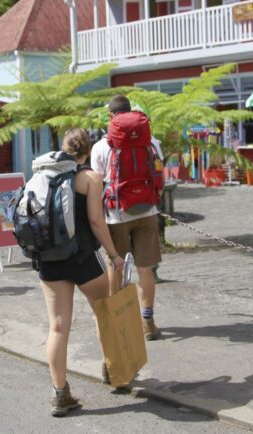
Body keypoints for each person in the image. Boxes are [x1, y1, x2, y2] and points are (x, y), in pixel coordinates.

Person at [41, 128, 123, 417]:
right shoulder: (90, 178)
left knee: (58, 327)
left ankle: (60, 394)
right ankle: (113, 371)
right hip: (83, 258)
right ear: (88, 151)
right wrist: (113, 255)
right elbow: (96, 221)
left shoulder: (42, 175)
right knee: (104, 312)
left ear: (62, 148)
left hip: (50, 260)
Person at [90, 95, 164, 342]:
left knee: (115, 265)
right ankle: (148, 322)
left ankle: (118, 320)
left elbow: (96, 186)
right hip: (148, 213)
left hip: (116, 215)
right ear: (131, 112)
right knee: (146, 269)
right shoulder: (151, 141)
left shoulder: (101, 146)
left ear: (111, 116)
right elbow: (159, 177)